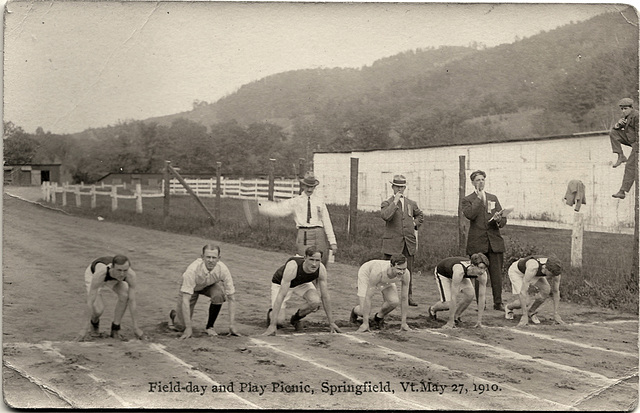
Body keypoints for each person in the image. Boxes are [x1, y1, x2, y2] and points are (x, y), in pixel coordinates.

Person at [257, 171, 337, 267]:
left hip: (319, 235)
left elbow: (327, 222)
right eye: (307, 186)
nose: (309, 189)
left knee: (321, 264)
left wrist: (332, 242)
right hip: (304, 235)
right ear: (303, 186)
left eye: (312, 186)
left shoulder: (319, 201)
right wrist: (259, 206)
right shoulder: (296, 202)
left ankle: (319, 282)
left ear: (315, 187)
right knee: (304, 264)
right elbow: (279, 209)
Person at [263, 246, 342, 335]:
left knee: (315, 301)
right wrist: (272, 325)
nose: (314, 264)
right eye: (311, 260)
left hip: (302, 282)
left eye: (317, 260)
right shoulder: (293, 267)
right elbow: (281, 295)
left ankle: (296, 319)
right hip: (281, 283)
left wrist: (331, 322)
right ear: (305, 258)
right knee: (279, 321)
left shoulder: (321, 269)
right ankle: (272, 313)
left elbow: (325, 296)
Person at [169, 245, 238, 339]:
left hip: (208, 285)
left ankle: (210, 327)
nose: (211, 260)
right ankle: (174, 315)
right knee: (181, 327)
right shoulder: (192, 270)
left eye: (214, 257)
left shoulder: (223, 269)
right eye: (208, 257)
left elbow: (231, 297)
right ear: (202, 257)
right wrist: (188, 328)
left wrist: (232, 325)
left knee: (219, 295)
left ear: (219, 258)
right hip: (191, 289)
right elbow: (186, 300)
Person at [461, 170, 507, 311]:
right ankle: (481, 303)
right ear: (473, 182)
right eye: (478, 180)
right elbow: (470, 215)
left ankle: (498, 302)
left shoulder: (493, 198)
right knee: (478, 273)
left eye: (482, 179)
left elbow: (503, 220)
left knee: (496, 274)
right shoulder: (468, 199)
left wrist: (500, 219)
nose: (481, 182)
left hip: (494, 241)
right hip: (478, 242)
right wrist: (479, 199)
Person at [75, 255, 144, 341]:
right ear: (112, 267)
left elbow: (132, 301)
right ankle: (94, 323)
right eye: (119, 270)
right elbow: (90, 302)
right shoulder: (99, 274)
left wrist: (136, 327)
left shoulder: (131, 275)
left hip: (114, 278)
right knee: (98, 310)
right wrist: (83, 329)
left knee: (125, 295)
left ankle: (115, 328)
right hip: (93, 275)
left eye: (125, 270)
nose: (122, 274)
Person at [380, 174, 424, 306]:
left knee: (407, 270)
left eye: (402, 187)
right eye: (397, 187)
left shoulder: (411, 203)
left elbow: (420, 215)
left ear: (405, 188)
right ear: (392, 187)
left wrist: (414, 224)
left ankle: (408, 296)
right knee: (388, 271)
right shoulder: (387, 203)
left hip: (408, 242)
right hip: (392, 244)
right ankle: (387, 297)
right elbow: (386, 216)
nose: (400, 189)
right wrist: (395, 202)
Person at [350, 254, 412, 332]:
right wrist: (365, 323)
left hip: (385, 279)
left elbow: (404, 298)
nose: (402, 272)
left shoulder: (406, 274)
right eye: (399, 269)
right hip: (367, 274)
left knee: (394, 302)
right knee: (363, 311)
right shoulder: (378, 272)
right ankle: (355, 311)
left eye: (404, 269)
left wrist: (404, 323)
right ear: (391, 266)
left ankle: (378, 318)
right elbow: (368, 297)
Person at [427, 254, 489, 329]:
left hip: (463, 273)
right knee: (447, 304)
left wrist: (479, 322)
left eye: (485, 268)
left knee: (470, 294)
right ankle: (432, 309)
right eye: (480, 268)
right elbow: (454, 296)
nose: (482, 271)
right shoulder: (459, 271)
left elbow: (482, 296)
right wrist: (450, 322)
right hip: (443, 273)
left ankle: (456, 317)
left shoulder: (482, 274)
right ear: (473, 265)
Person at [504, 255, 564, 327]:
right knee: (525, 301)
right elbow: (523, 292)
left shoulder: (556, 272)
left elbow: (556, 291)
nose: (552, 277)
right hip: (518, 272)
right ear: (545, 268)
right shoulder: (533, 267)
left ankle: (531, 311)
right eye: (551, 275)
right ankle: (509, 307)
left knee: (546, 290)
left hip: (533, 273)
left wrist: (556, 313)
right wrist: (524, 315)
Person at [611, 98, 638, 199]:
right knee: (613, 132)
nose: (623, 111)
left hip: (638, 144)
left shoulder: (637, 116)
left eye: (625, 108)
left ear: (631, 108)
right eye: (621, 109)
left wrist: (636, 149)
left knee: (630, 166)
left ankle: (623, 191)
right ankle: (620, 156)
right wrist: (619, 125)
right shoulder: (627, 116)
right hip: (632, 140)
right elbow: (617, 131)